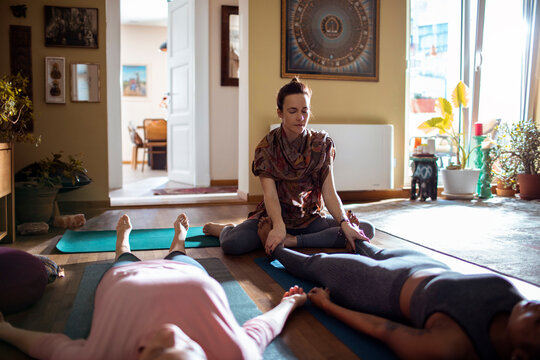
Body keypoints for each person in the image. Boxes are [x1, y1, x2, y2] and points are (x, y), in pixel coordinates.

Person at [0, 214, 307, 360]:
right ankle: (179, 240)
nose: (173, 334)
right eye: (187, 347)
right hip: (186, 274)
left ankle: (122, 243)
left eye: (160, 350)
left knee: (123, 258)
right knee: (179, 254)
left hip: (124, 281)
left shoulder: (103, 356)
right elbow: (261, 329)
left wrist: (6, 331)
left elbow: (50, 349)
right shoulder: (235, 354)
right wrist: (289, 304)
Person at [257, 213, 540, 360]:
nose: (537, 308)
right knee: (364, 242)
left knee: (316, 264)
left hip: (383, 286)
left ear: (519, 355)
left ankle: (273, 247)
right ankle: (352, 238)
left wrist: (328, 307)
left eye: (539, 322)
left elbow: (384, 331)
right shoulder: (514, 300)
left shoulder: (453, 346)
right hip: (422, 263)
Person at [204, 77, 375, 255]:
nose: (300, 118)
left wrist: (344, 223)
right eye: (292, 111)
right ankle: (226, 229)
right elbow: (270, 195)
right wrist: (278, 227)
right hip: (273, 217)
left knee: (366, 229)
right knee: (233, 244)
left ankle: (293, 241)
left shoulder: (322, 144)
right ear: (280, 112)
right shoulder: (267, 147)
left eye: (305, 111)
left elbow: (329, 192)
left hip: (309, 219)